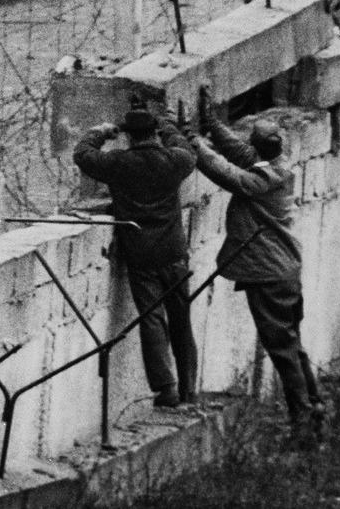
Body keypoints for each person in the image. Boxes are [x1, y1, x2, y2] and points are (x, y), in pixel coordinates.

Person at [188, 89, 324, 445]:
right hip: (282, 270)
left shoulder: (263, 179)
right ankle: (314, 407)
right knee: (292, 345)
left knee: (281, 349)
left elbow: (229, 173)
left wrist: (192, 144)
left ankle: (304, 423)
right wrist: (213, 126)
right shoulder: (277, 166)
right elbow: (239, 153)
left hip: (269, 273)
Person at [73, 105, 199, 409]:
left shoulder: (119, 163)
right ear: (153, 133)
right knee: (181, 319)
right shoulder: (174, 160)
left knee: (152, 318)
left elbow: (83, 154)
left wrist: (102, 131)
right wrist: (168, 125)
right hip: (173, 250)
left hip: (140, 251)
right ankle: (189, 389)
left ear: (129, 137)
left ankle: (166, 389)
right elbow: (185, 147)